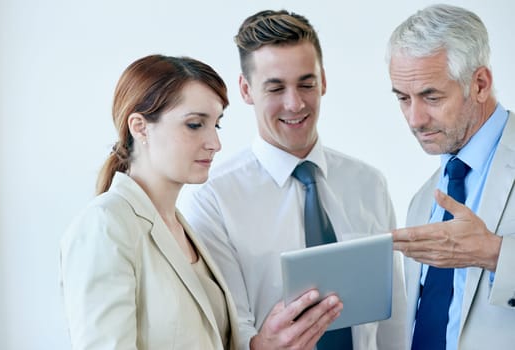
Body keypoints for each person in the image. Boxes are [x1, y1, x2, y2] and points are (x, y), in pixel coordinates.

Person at [179, 10, 406, 350]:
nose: (295, 103)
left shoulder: (369, 184)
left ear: (323, 80)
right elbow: (228, 327)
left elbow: (393, 319)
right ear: (246, 89)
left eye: (306, 83)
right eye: (275, 88)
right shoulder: (213, 200)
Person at [60, 54, 241, 349]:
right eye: (195, 124)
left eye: (216, 125)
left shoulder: (182, 226)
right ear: (140, 127)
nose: (215, 143)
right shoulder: (105, 225)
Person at [387, 4, 515, 350]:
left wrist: (493, 253)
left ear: (480, 84)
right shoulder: (422, 200)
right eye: (403, 98)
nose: (414, 119)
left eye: (431, 96)